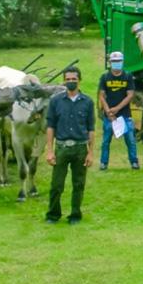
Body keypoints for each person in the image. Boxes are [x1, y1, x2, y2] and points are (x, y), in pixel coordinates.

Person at [43, 67, 95, 224]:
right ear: (64, 80)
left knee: (78, 184)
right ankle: (53, 214)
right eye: (68, 79)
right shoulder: (56, 101)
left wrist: (90, 153)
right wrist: (50, 151)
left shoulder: (87, 102)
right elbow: (50, 126)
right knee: (56, 185)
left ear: (79, 80)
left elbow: (91, 129)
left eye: (74, 79)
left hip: (80, 148)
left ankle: (75, 215)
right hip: (62, 148)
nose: (71, 82)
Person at [97, 52, 139, 171]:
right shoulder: (105, 77)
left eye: (119, 61)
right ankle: (103, 163)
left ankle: (134, 162)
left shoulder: (128, 76)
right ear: (110, 63)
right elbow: (101, 95)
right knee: (105, 141)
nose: (117, 64)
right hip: (109, 116)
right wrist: (108, 112)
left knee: (130, 140)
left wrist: (117, 109)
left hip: (124, 115)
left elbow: (130, 95)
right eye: (114, 62)